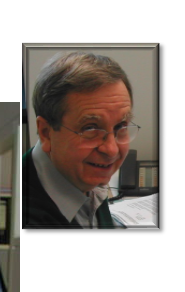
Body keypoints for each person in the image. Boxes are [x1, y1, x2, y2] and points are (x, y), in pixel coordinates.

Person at [24, 52, 135, 228]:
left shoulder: (83, 176)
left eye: (121, 126)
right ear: (46, 133)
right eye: (90, 128)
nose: (112, 150)